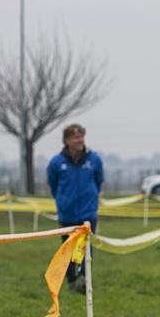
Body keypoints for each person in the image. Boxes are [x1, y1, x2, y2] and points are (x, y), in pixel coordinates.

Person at [46, 123, 103, 293]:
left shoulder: (94, 160)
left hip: (88, 213)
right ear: (67, 140)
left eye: (81, 136)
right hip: (67, 214)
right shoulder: (57, 162)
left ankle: (84, 279)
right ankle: (72, 278)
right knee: (68, 249)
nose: (80, 140)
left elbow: (99, 181)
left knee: (85, 248)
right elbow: (53, 185)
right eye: (76, 137)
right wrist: (63, 201)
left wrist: (91, 198)